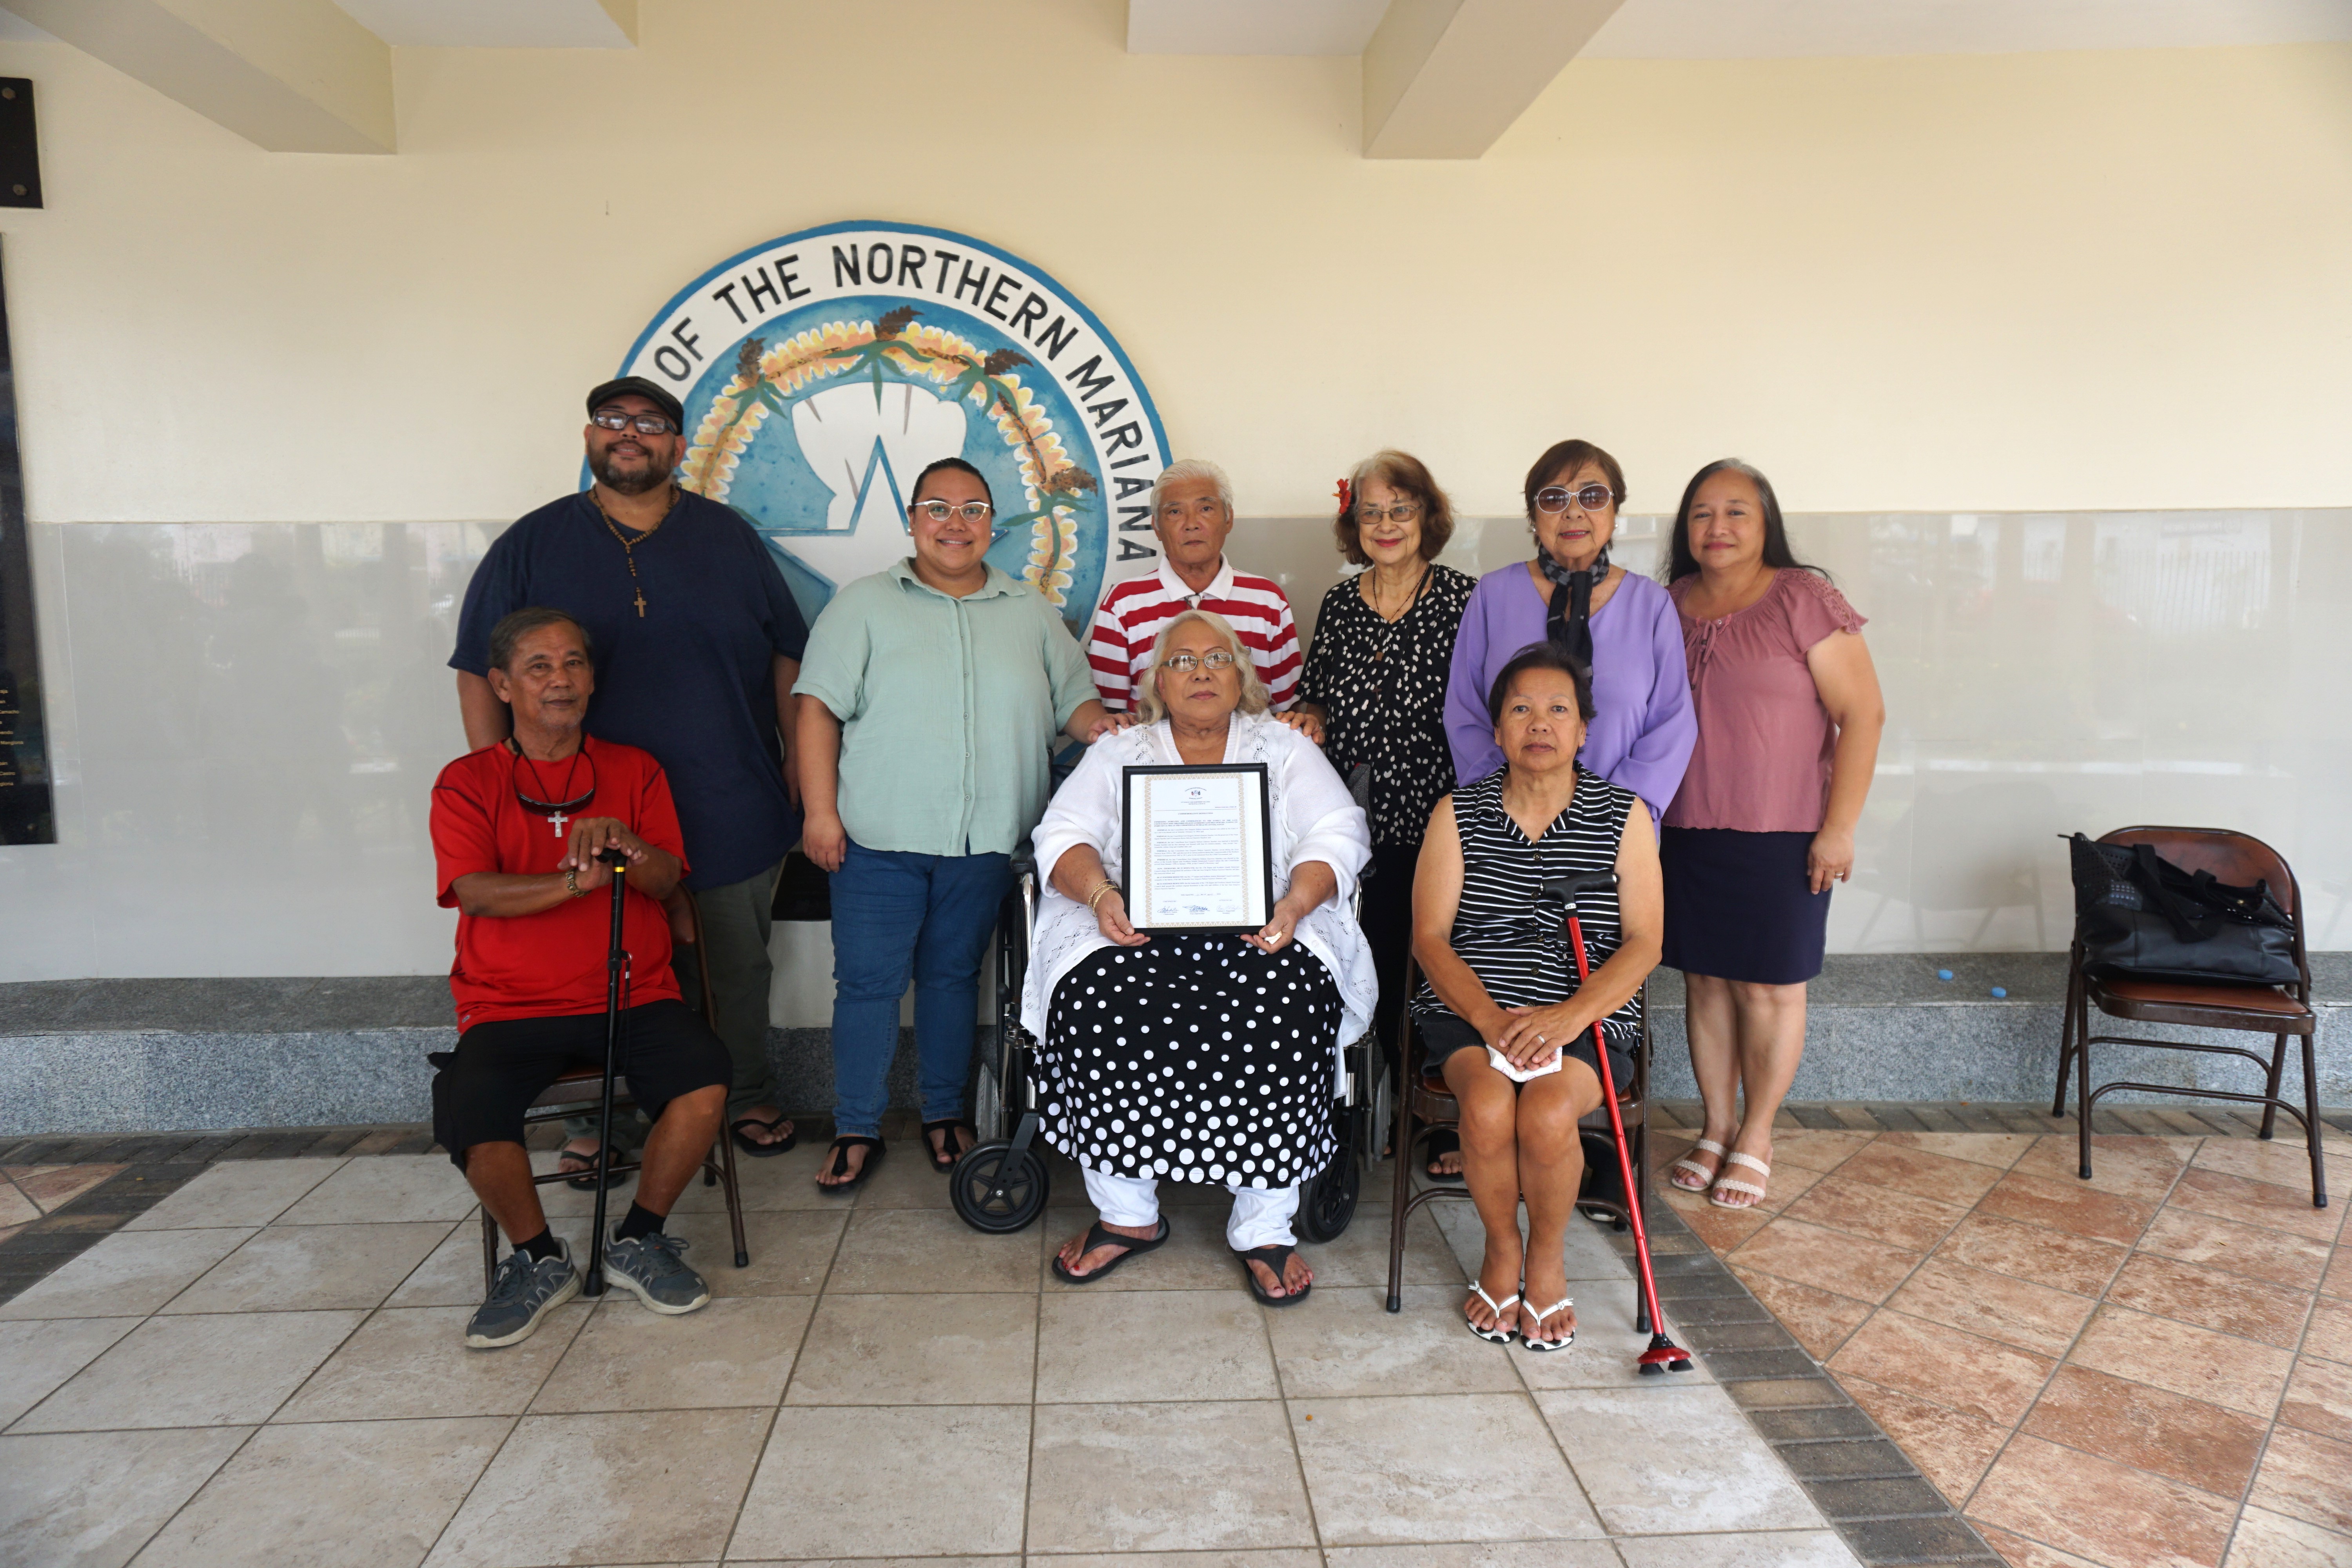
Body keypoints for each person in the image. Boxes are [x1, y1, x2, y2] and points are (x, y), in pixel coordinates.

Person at [450, 376, 808, 1185]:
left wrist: (793, 758)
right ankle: (597, 1118)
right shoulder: (533, 543)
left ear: (678, 446)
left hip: (726, 800)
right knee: (591, 960)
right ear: (589, 438)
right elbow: (478, 666)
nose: (629, 433)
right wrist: (502, 781)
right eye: (612, 419)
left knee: (733, 967)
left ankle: (743, 1094)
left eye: (650, 423)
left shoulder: (728, 537)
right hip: (582, 809)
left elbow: (786, 649)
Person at [1027, 610, 1376, 1304]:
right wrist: (1098, 894)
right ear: (1159, 682)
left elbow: (1337, 831)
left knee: (1287, 1003)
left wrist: (1296, 905)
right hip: (1131, 925)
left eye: (1217, 659)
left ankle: (1263, 1227)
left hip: (1267, 923)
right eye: (1182, 661)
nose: (1201, 672)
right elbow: (1061, 832)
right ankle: (1126, 1213)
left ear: (1242, 677)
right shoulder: (1121, 750)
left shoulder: (1283, 747)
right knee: (1099, 1001)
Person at [797, 457, 1126, 1187]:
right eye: (938, 509)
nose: (956, 523)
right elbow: (817, 709)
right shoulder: (863, 605)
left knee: (953, 979)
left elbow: (1074, 701)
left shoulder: (1028, 609)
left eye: (973, 509)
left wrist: (1103, 727)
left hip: (988, 842)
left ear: (991, 523)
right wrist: (819, 813)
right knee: (868, 985)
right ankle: (856, 1125)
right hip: (877, 838)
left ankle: (945, 1114)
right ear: (912, 520)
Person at [428, 608, 731, 1348]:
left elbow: (666, 881)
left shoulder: (635, 769)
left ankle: (639, 1238)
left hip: (633, 994)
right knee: (467, 1105)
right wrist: (577, 882)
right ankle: (537, 1259)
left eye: (573, 664)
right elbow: (475, 893)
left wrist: (628, 846)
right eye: (539, 666)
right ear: (502, 685)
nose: (559, 679)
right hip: (510, 1005)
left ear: (593, 680)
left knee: (705, 1076)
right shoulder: (467, 782)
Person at [1430, 439, 1691, 1181]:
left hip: (1609, 838)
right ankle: (1495, 1134)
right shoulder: (1494, 595)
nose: (1573, 512)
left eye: (1592, 496)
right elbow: (1466, 710)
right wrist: (1517, 797)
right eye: (1554, 498)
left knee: (1593, 975)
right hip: (1507, 823)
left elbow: (1673, 721)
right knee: (1497, 953)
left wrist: (1606, 812)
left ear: (1616, 511)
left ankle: (1577, 1143)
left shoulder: (1652, 605)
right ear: (1532, 515)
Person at [1412, 642, 1662, 1348]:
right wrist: (1491, 1021)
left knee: (1549, 1114)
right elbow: (1430, 938)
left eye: (1558, 709)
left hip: (1585, 1012)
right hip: (1473, 1010)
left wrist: (1566, 1018)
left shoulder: (1623, 815)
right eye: (1521, 709)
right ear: (1497, 731)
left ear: (1584, 730)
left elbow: (1646, 942)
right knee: (1489, 1106)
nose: (1540, 723)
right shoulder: (1457, 814)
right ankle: (1502, 1252)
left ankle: (1547, 1262)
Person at [1657, 460, 1883, 1210]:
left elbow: (1863, 714)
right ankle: (1716, 1127)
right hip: (1687, 829)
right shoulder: (1668, 604)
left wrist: (1839, 830)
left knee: (1768, 987)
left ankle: (1757, 1134)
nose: (1717, 527)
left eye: (1737, 512)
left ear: (1766, 523)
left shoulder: (1802, 597)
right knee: (1705, 983)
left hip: (1784, 832)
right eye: (1701, 513)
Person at [1294, 450, 1475, 1085]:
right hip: (1357, 817)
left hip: (1440, 815)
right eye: (1371, 512)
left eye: (1401, 509)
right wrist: (1310, 718)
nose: (1386, 524)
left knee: (1435, 960)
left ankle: (1434, 1097)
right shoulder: (1341, 604)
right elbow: (1316, 697)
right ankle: (1382, 1096)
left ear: (1427, 515)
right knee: (1373, 956)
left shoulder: (1463, 599)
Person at [1086, 459, 1313, 731]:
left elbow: (1286, 711)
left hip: (1252, 754)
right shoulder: (1122, 604)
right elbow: (1111, 717)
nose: (1191, 524)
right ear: (1156, 527)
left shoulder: (1268, 600)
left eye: (1206, 508)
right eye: (1175, 512)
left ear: (1229, 518)